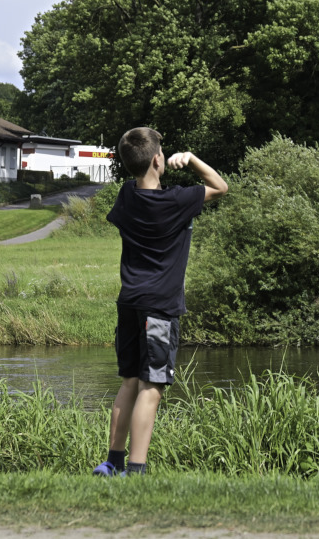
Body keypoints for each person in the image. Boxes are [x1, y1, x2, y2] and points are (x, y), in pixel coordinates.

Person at [93, 127, 228, 476]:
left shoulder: (126, 195)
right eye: (163, 151)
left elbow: (140, 185)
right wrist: (193, 160)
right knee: (151, 387)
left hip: (130, 302)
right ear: (157, 159)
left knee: (128, 382)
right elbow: (221, 186)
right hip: (160, 308)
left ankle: (113, 463)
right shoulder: (176, 201)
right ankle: (137, 470)